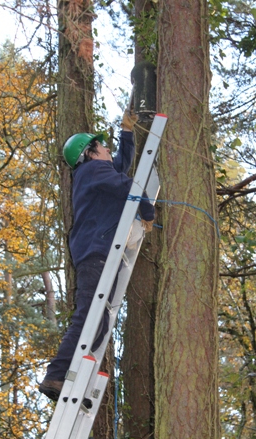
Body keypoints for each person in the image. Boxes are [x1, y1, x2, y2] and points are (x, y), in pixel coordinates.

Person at [39, 111, 155, 401]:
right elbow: (127, 184)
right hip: (96, 250)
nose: (107, 150)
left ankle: (72, 379)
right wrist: (148, 212)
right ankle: (56, 375)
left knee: (100, 321)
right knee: (89, 316)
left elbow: (120, 167)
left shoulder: (92, 173)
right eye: (102, 147)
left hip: (96, 249)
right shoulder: (93, 172)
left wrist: (126, 133)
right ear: (90, 154)